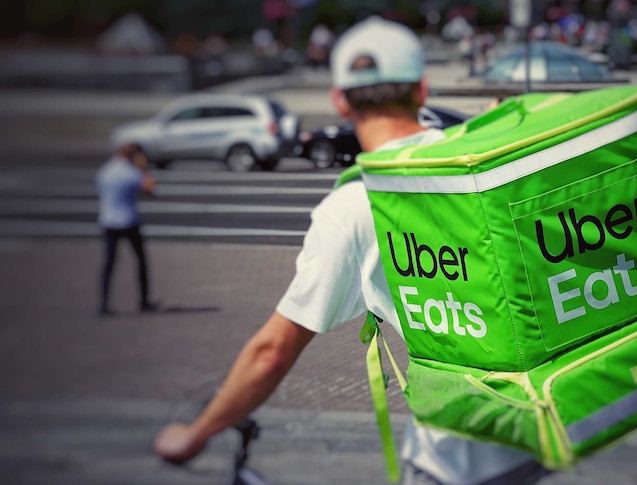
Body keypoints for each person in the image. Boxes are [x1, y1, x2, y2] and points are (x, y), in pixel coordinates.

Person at [152, 17, 552, 484]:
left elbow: (272, 352)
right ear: (422, 90)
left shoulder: (355, 206)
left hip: (457, 460)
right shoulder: (481, 167)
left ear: (339, 100)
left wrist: (197, 434)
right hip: (537, 432)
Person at [96, 143, 158, 315]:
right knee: (140, 261)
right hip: (128, 221)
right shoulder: (131, 172)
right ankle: (144, 300)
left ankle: (104, 303)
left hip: (108, 221)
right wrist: (143, 169)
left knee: (109, 265)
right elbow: (150, 188)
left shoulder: (105, 171)